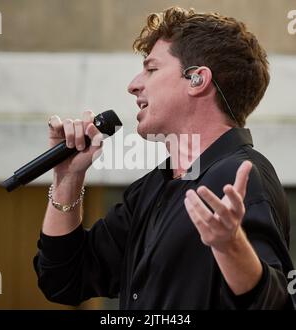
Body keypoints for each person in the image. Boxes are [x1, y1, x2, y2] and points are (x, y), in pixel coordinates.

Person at [34, 6, 296, 309]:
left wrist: (231, 247)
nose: (133, 84)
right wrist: (67, 178)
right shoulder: (151, 190)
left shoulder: (240, 176)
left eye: (152, 69)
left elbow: (274, 304)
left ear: (197, 80)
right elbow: (63, 280)